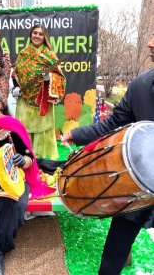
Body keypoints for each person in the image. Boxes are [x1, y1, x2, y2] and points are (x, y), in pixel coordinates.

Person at [61, 33, 154, 275]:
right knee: (114, 253)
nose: (149, 44)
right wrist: (77, 134)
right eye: (152, 36)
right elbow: (113, 123)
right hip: (138, 183)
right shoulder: (141, 85)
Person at [0, 89, 56, 275]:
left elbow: (28, 155)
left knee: (7, 204)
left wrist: (23, 161)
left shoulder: (13, 127)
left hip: (11, 177)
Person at [14, 24, 66, 159]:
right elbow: (16, 74)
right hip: (24, 101)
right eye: (35, 33)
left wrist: (50, 78)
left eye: (40, 34)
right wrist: (16, 87)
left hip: (42, 101)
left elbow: (60, 77)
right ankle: (24, 162)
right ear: (30, 35)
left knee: (42, 134)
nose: (37, 36)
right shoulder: (23, 53)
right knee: (23, 132)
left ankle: (42, 164)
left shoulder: (49, 55)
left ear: (45, 37)